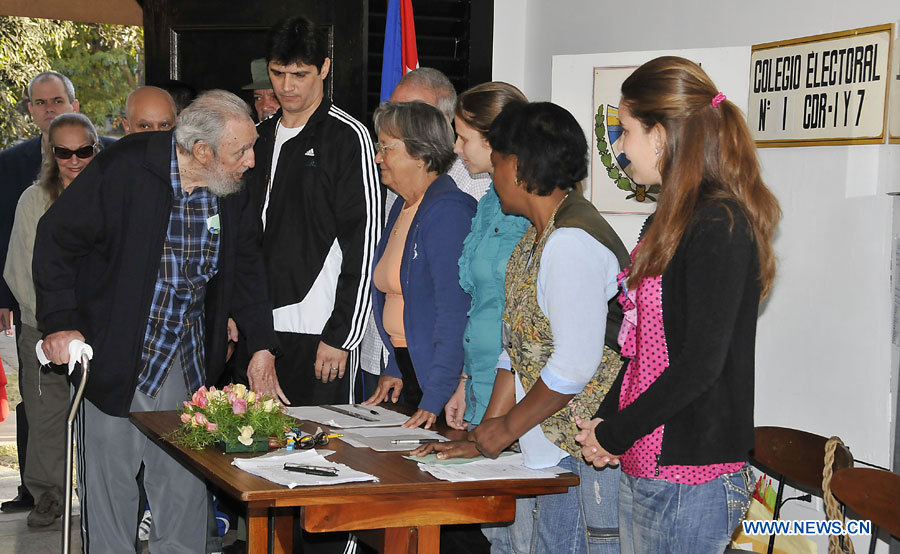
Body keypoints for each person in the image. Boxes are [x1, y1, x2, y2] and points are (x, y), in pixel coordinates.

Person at [33, 90, 280, 552]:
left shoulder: (228, 190)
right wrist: (60, 323)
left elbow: (247, 265)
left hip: (186, 360)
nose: (250, 160)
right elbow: (56, 240)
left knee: (185, 489)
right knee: (110, 493)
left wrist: (261, 344)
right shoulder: (125, 168)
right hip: (114, 358)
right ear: (201, 151)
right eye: (241, 150)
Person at [574, 56, 781, 554]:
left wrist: (617, 433)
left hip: (690, 474)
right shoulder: (672, 219)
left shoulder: (718, 223)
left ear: (661, 134)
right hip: (650, 461)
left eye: (625, 132)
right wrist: (605, 424)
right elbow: (645, 351)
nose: (620, 149)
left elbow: (699, 366)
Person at [413, 102, 628, 554]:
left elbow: (574, 365)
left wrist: (506, 427)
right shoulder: (536, 234)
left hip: (584, 450)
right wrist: (484, 433)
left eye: (496, 164)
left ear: (519, 165)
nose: (491, 175)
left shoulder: (571, 243)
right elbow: (519, 345)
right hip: (550, 445)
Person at [239, 16, 380, 408]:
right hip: (259, 331)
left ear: (324, 68)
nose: (287, 86)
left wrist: (342, 335)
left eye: (300, 74)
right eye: (278, 73)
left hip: (319, 330)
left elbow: (365, 240)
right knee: (251, 456)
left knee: (325, 454)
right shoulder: (259, 136)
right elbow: (242, 237)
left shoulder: (348, 137)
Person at [0, 70, 112, 514]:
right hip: (41, 325)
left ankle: (104, 497)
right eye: (63, 152)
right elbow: (21, 269)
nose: (74, 160)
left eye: (83, 150)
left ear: (95, 149)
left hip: (102, 327)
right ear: (51, 152)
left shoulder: (114, 195)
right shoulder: (33, 200)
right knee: (46, 417)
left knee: (103, 417)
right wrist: (47, 322)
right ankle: (49, 497)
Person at [357, 67, 491, 403]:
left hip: (439, 383)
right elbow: (406, 303)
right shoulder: (402, 204)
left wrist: (436, 397)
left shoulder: (449, 210)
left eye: (386, 148)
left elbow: (452, 311)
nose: (377, 157)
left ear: (418, 154)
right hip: (409, 369)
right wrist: (396, 364)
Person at [444, 82, 530, 432]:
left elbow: (524, 315)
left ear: (494, 139)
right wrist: (465, 380)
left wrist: (497, 417)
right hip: (480, 381)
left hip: (516, 394)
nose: (455, 148)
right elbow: (482, 303)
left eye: (463, 138)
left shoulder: (532, 204)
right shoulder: (490, 200)